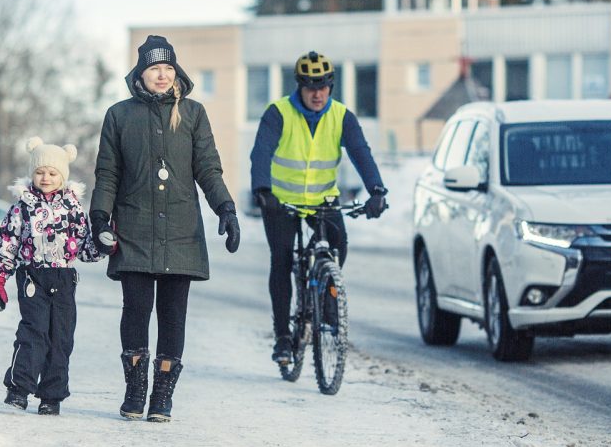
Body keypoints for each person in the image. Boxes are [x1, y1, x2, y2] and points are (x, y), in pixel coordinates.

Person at [90, 35, 241, 423]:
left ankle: (162, 395)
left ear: (176, 72)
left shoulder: (192, 113)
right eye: (155, 68)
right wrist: (100, 216)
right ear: (141, 72)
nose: (162, 75)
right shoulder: (119, 115)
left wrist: (225, 208)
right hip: (135, 226)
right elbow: (108, 172)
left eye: (168, 68)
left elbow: (208, 167)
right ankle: (135, 388)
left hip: (180, 229)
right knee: (136, 311)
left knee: (173, 315)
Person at [249, 50, 388, 366]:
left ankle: (326, 301)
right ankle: (283, 337)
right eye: (311, 86)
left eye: (323, 86)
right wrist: (262, 189)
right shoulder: (279, 113)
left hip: (323, 199)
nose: (317, 93)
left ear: (331, 86)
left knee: (338, 243)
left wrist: (377, 190)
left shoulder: (341, 116)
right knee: (282, 259)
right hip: (281, 201)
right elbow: (261, 153)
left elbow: (360, 153)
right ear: (300, 86)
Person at [0, 137, 104, 416]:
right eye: (40, 172)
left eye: (53, 173)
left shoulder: (74, 208)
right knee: (34, 332)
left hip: (64, 278)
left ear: (62, 176)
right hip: (33, 276)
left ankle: (51, 396)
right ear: (32, 173)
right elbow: (8, 243)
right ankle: (18, 390)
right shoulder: (22, 206)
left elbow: (86, 250)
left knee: (61, 338)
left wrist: (104, 244)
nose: (46, 177)